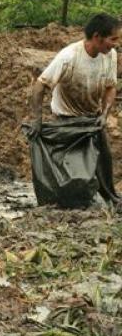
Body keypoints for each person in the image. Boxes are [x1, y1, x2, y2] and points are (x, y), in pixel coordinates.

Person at [29, 13, 119, 201]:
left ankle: (110, 198)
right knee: (72, 172)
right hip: (66, 122)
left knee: (103, 163)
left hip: (92, 121)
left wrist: (104, 114)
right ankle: (67, 202)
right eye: (113, 39)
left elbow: (110, 87)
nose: (116, 44)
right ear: (97, 37)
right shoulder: (69, 56)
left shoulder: (110, 55)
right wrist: (37, 119)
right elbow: (40, 85)